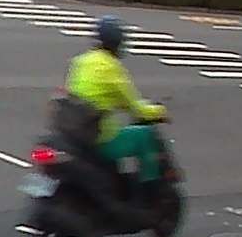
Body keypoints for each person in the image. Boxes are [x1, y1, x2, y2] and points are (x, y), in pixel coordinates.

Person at [65, 16, 167, 182]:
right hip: (99, 136)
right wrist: (159, 111)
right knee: (145, 135)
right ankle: (150, 187)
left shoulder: (82, 61)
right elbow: (136, 107)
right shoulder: (110, 67)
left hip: (74, 132)